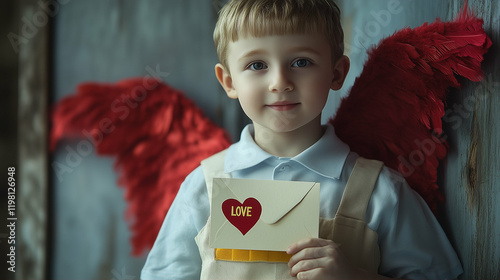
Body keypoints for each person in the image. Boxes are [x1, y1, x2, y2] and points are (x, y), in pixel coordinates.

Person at [141, 0, 463, 279]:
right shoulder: (203, 187)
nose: (280, 82)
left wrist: (355, 277)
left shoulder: (380, 192)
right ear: (229, 81)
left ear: (336, 74)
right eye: (257, 65)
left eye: (301, 62)